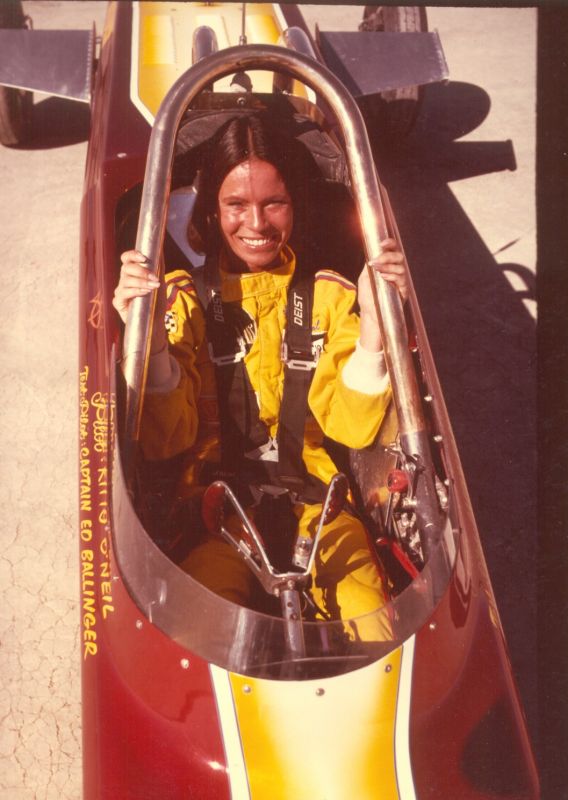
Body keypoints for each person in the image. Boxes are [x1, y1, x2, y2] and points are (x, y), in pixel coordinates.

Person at [113, 113, 408, 640]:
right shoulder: (180, 299)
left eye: (274, 203)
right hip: (212, 511)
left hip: (319, 504)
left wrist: (375, 331)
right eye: (236, 205)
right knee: (207, 635)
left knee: (372, 623)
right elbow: (165, 438)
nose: (257, 223)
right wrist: (150, 337)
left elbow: (352, 427)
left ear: (295, 205)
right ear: (211, 208)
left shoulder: (329, 296)